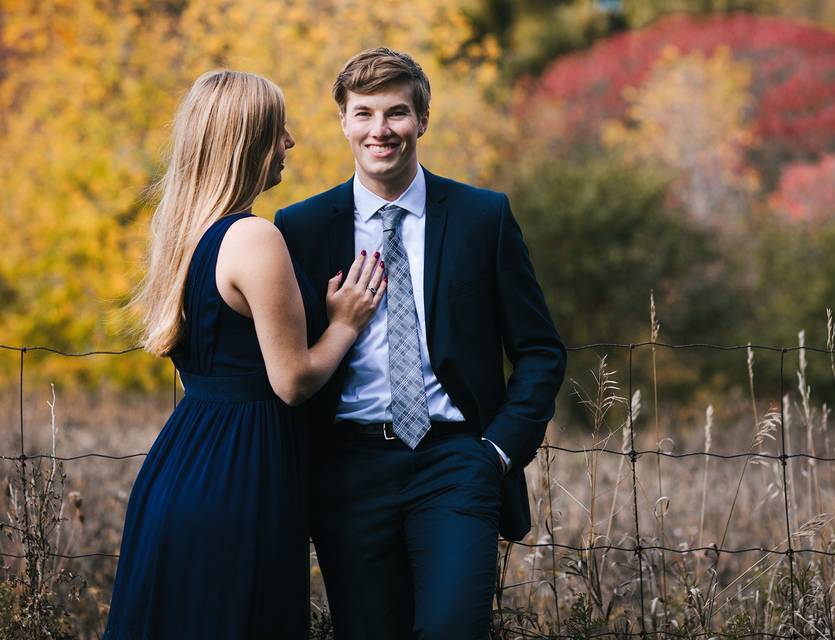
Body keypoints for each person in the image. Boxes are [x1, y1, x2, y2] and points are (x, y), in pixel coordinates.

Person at [275, 48, 566, 639]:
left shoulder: (484, 217)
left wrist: (498, 453)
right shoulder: (300, 228)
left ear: (422, 120)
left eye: (396, 113)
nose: (379, 130)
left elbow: (540, 350)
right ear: (343, 122)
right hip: (348, 466)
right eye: (363, 114)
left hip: (457, 461)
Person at [104, 70, 385, 639]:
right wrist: (345, 323)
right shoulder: (253, 239)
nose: (290, 141)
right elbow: (293, 380)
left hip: (184, 463)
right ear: (247, 141)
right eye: (278, 129)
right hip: (240, 477)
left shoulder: (185, 232)